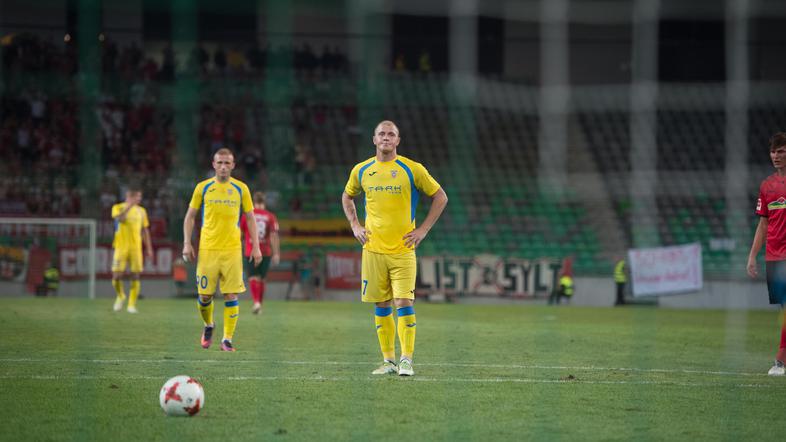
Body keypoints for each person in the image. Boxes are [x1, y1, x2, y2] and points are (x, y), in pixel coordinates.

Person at [341, 120, 448, 377]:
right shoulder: (362, 169)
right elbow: (347, 196)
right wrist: (355, 225)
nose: (386, 137)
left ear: (398, 141)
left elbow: (441, 196)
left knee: (403, 301)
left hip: (402, 250)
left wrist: (422, 230)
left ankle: (406, 360)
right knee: (381, 304)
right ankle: (388, 361)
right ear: (374, 139)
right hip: (373, 250)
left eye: (391, 134)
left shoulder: (412, 169)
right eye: (382, 134)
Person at [183, 148, 262, 352]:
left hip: (232, 249)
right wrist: (186, 243)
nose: (224, 167)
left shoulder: (241, 188)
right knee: (205, 297)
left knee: (231, 295)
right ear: (213, 165)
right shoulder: (203, 187)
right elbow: (190, 216)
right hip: (208, 248)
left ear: (233, 165)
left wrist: (256, 246)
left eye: (227, 163)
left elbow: (251, 218)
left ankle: (227, 340)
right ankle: (209, 325)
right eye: (220, 163)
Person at [747, 132, 786, 376]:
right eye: (773, 151)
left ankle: (780, 361)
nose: (776, 156)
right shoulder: (767, 186)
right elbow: (763, 225)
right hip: (773, 256)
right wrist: (752, 256)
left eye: (781, 151)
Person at [111, 187, 153, 313]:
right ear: (130, 196)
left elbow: (145, 230)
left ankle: (131, 305)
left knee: (135, 275)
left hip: (136, 248)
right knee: (117, 275)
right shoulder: (117, 207)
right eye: (137, 197)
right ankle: (120, 296)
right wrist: (129, 206)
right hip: (120, 247)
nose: (139, 199)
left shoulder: (142, 211)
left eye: (140, 197)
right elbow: (120, 219)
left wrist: (149, 248)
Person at [240, 191, 280, 314]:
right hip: (266, 251)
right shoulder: (270, 216)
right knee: (262, 278)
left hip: (250, 250)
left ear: (253, 201)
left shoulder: (246, 216)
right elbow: (274, 236)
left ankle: (256, 302)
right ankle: (259, 305)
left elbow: (240, 234)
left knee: (253, 277)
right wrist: (276, 253)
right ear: (264, 202)